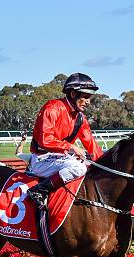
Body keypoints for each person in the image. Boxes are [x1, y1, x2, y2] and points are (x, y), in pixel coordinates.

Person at [26, 73, 103, 207]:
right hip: (41, 159)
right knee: (78, 168)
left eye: (90, 98)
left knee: (90, 167)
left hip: (59, 159)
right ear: (73, 94)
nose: (88, 102)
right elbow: (45, 140)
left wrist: (105, 165)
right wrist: (71, 147)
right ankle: (40, 190)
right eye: (85, 97)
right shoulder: (52, 108)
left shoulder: (80, 118)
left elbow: (92, 146)